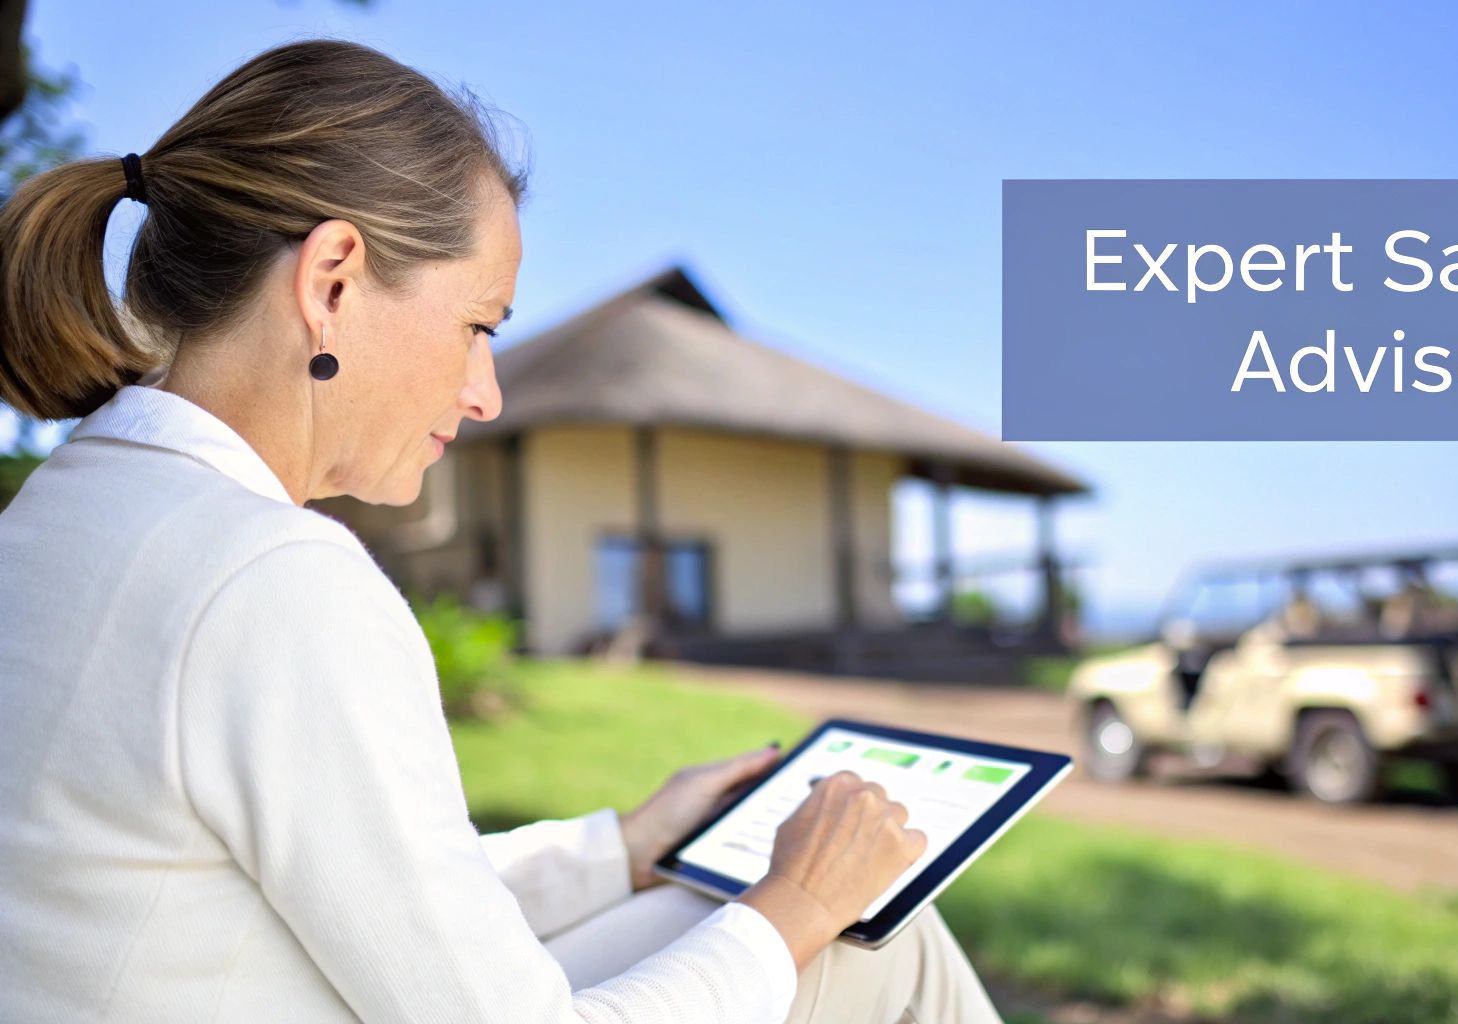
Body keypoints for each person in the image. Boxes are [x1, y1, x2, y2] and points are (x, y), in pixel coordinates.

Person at [0, 39, 1003, 1024]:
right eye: (479, 325)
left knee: (709, 909)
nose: (485, 393)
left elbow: (366, 895)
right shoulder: (269, 579)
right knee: (878, 936)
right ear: (332, 281)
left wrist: (621, 845)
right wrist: (802, 902)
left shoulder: (53, 521)